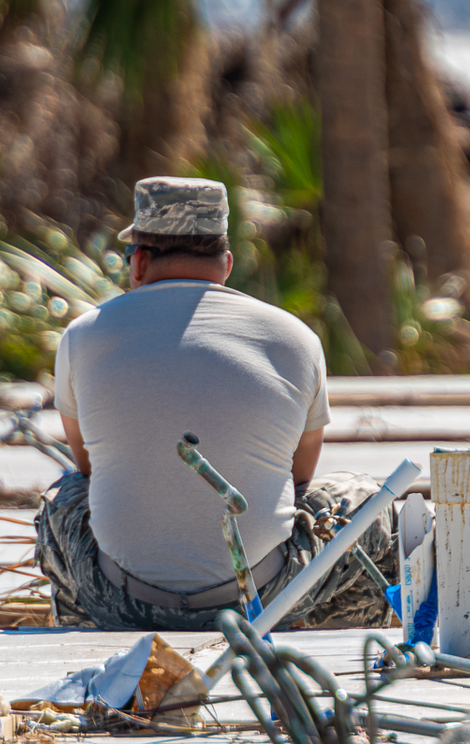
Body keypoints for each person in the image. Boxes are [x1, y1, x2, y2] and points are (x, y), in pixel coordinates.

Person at [35, 176, 397, 631]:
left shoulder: (83, 335)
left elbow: (88, 467)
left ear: (140, 261)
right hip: (261, 598)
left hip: (121, 602)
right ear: (226, 263)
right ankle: (356, 631)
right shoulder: (296, 339)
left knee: (65, 497)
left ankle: (80, 628)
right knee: (365, 498)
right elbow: (298, 477)